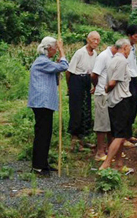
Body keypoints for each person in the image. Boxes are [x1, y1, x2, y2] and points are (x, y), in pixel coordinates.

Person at [27, 36, 69, 176]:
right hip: (42, 103)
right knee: (42, 134)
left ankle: (42, 163)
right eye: (55, 48)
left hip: (45, 103)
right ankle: (38, 166)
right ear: (49, 48)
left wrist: (56, 66)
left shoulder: (46, 63)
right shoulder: (42, 62)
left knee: (45, 134)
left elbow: (55, 80)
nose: (56, 50)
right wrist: (63, 51)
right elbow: (64, 66)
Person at [99, 39, 133, 171]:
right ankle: (106, 164)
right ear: (124, 47)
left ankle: (119, 163)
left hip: (113, 101)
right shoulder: (122, 61)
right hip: (121, 101)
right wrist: (107, 89)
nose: (130, 50)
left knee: (116, 134)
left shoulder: (112, 60)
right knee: (120, 135)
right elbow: (112, 83)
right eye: (129, 48)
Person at [66, 31, 100, 149]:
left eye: (98, 40)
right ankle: (74, 139)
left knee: (86, 109)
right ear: (88, 40)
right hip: (76, 80)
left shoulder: (95, 54)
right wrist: (69, 87)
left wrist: (94, 85)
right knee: (76, 109)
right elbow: (69, 71)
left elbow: (93, 73)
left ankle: (82, 139)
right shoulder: (80, 53)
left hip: (86, 80)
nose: (96, 42)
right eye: (93, 39)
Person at [91, 41, 119, 161]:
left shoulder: (114, 57)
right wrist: (97, 87)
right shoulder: (103, 56)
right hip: (102, 94)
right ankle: (100, 152)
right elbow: (94, 75)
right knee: (102, 124)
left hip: (109, 94)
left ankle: (109, 149)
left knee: (109, 123)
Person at [126, 25, 137, 142]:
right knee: (127, 107)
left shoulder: (133, 47)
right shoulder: (125, 47)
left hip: (134, 77)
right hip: (127, 79)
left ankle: (128, 134)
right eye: (136, 36)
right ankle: (124, 136)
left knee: (133, 107)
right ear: (130, 36)